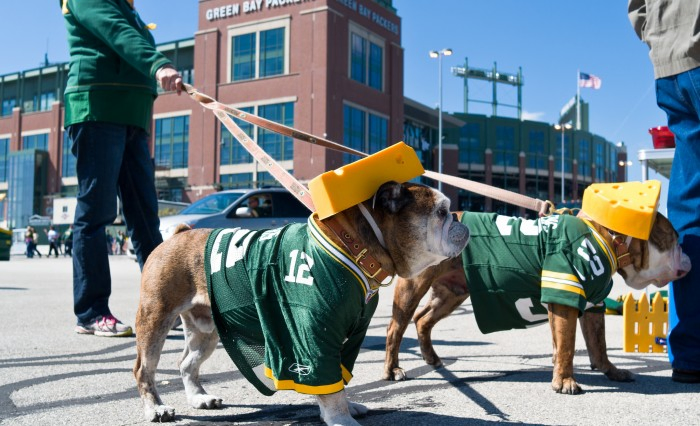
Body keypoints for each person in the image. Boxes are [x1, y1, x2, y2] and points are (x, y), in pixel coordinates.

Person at [62, 0, 183, 337]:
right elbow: (116, 32)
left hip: (133, 117)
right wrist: (158, 64)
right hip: (98, 109)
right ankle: (91, 311)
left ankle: (164, 306)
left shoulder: (128, 7)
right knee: (96, 212)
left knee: (145, 217)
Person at [629, 0, 700, 383]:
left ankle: (691, 353)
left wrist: (657, 35)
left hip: (671, 59)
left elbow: (636, 6)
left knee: (690, 207)